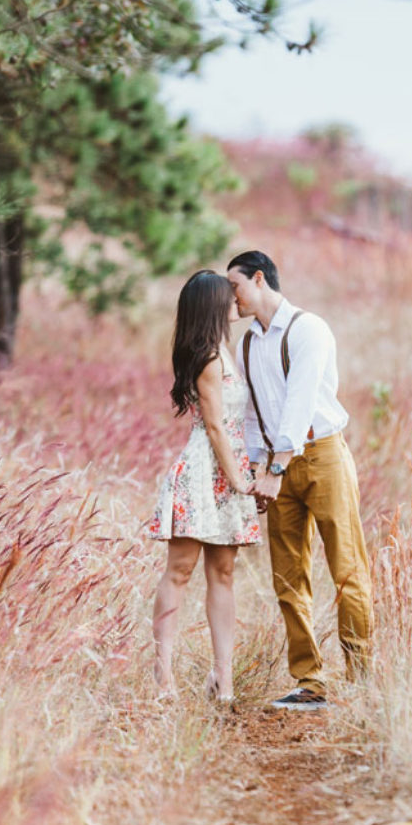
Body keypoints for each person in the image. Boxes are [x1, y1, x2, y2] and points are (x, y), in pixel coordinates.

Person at [227, 250, 374, 710]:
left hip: (322, 456)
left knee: (346, 568)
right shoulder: (247, 343)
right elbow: (251, 415)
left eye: (235, 286)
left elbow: (300, 400)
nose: (230, 297)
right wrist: (257, 469)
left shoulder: (308, 328)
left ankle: (361, 678)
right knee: (288, 576)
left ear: (258, 278)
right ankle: (310, 682)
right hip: (275, 467)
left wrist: (275, 467)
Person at [148, 270, 261, 703]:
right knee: (179, 571)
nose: (235, 300)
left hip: (227, 467)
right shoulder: (209, 357)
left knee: (224, 574)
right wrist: (236, 479)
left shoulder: (225, 351)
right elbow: (213, 424)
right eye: (227, 295)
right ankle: (164, 680)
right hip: (204, 470)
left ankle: (222, 678)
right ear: (212, 306)